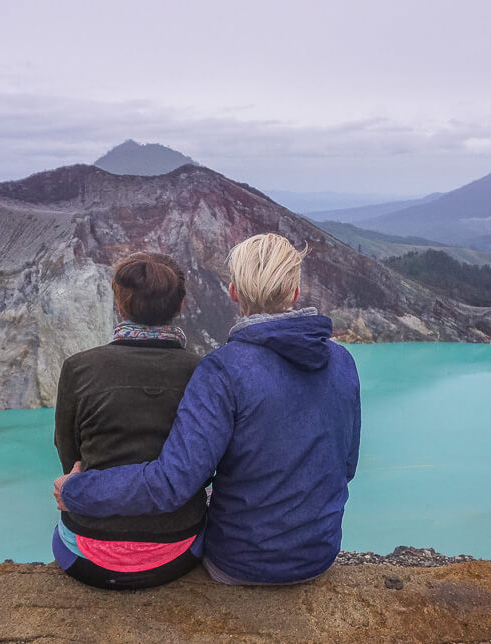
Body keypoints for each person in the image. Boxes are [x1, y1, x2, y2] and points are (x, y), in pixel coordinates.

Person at [55, 233, 361, 585]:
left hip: (240, 563)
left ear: (232, 292)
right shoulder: (342, 362)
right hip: (318, 556)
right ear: (294, 293)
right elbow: (345, 466)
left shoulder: (224, 369)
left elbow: (173, 482)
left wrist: (77, 491)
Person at [50, 252, 206, 590]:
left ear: (120, 304)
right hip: (176, 551)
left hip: (87, 555)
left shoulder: (79, 368)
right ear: (180, 304)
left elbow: (69, 453)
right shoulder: (203, 372)